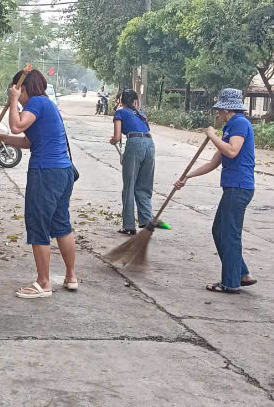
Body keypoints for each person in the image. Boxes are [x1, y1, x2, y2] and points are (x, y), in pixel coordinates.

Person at [0, 69, 78, 299]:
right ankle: (70, 276)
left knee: (38, 225)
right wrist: (1, 138)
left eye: (16, 90)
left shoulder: (37, 103)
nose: (16, 95)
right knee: (61, 224)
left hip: (45, 173)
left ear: (22, 88)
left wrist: (12, 100)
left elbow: (16, 125)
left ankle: (43, 283)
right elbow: (28, 142)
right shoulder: (47, 105)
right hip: (62, 172)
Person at [173, 88, 257, 294]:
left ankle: (230, 282)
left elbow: (232, 151)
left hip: (239, 187)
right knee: (219, 230)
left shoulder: (240, 123)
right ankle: (242, 273)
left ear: (226, 109)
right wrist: (187, 176)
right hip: (233, 187)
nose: (217, 113)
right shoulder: (230, 127)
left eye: (219, 109)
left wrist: (212, 135)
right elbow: (214, 162)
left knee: (229, 233)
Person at [108, 89, 154, 234]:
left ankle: (128, 226)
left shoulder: (120, 113)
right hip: (150, 144)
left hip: (134, 145)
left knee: (129, 186)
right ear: (135, 101)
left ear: (121, 101)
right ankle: (146, 221)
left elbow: (117, 137)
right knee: (144, 186)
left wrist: (112, 141)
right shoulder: (142, 115)